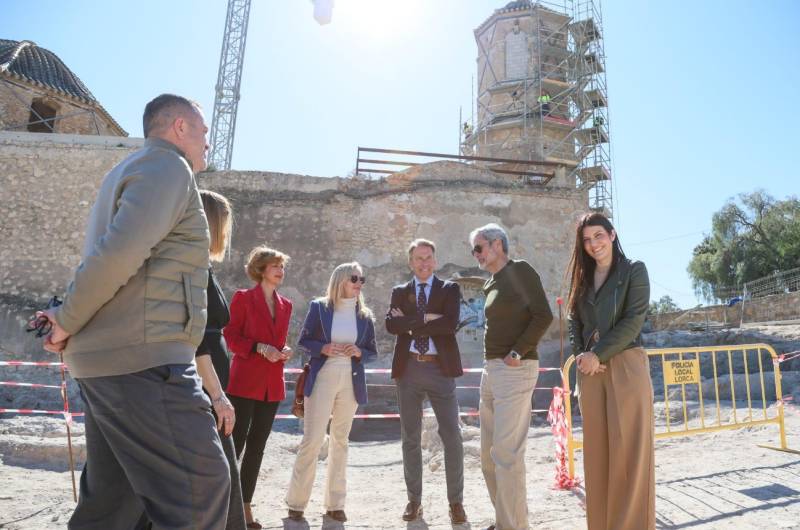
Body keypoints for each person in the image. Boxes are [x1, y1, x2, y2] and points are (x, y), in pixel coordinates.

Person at [41, 94, 231, 529]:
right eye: (203, 132)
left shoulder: (128, 171)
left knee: (113, 502)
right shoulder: (167, 167)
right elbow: (119, 254)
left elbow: (106, 255)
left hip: (112, 361)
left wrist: (69, 319)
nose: (207, 144)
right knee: (202, 486)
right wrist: (67, 318)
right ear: (180, 128)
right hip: (145, 362)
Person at [566, 212, 654, 530]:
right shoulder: (583, 278)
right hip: (590, 371)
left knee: (629, 456)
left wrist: (598, 353)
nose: (593, 244)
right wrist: (582, 357)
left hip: (627, 365)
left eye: (599, 236)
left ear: (612, 235)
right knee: (597, 457)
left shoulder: (634, 271)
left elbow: (633, 320)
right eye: (587, 240)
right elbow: (572, 321)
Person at [469, 223, 553, 530]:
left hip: (515, 370)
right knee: (489, 457)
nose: (475, 254)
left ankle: (514, 527)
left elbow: (543, 315)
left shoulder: (521, 272)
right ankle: (506, 520)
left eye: (478, 247)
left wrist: (517, 352)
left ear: (497, 245)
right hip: (491, 371)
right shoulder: (491, 282)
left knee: (507, 456)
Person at [285, 262, 378, 523]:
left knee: (341, 440)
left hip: (351, 379)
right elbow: (304, 341)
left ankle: (335, 504)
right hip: (322, 376)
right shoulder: (320, 307)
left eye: (362, 279)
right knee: (313, 439)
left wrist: (359, 352)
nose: (359, 283)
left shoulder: (365, 316)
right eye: (354, 279)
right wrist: (323, 348)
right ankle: (296, 502)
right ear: (340, 280)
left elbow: (371, 351)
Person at [385, 239, 467, 524]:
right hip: (408, 370)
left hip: (440, 370)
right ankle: (414, 501)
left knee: (452, 437)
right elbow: (391, 325)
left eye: (428, 258)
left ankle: (456, 502)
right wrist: (426, 316)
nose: (424, 263)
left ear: (435, 260)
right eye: (418, 259)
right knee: (410, 438)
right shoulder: (399, 291)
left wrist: (410, 320)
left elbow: (450, 324)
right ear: (410, 263)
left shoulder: (449, 289)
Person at [224, 246, 294, 529]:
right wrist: (257, 347)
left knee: (257, 448)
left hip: (271, 385)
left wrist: (284, 349)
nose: (280, 270)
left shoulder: (286, 304)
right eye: (275, 265)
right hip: (243, 383)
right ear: (261, 269)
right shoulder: (243, 298)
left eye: (282, 266)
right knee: (234, 446)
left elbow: (279, 341)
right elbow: (230, 336)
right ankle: (224, 507)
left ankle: (245, 507)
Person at [196, 190, 247, 529]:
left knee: (222, 473)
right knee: (220, 473)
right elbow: (196, 340)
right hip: (204, 382)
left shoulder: (204, 266)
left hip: (213, 380)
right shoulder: (193, 267)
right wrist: (217, 395)